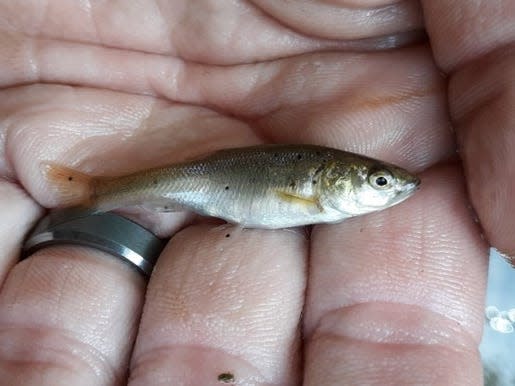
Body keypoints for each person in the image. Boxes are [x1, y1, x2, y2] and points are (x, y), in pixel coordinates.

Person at [0, 1, 511, 384]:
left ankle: (93, 194)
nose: (396, 187)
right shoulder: (312, 188)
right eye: (380, 182)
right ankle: (94, 193)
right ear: (333, 181)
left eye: (384, 182)